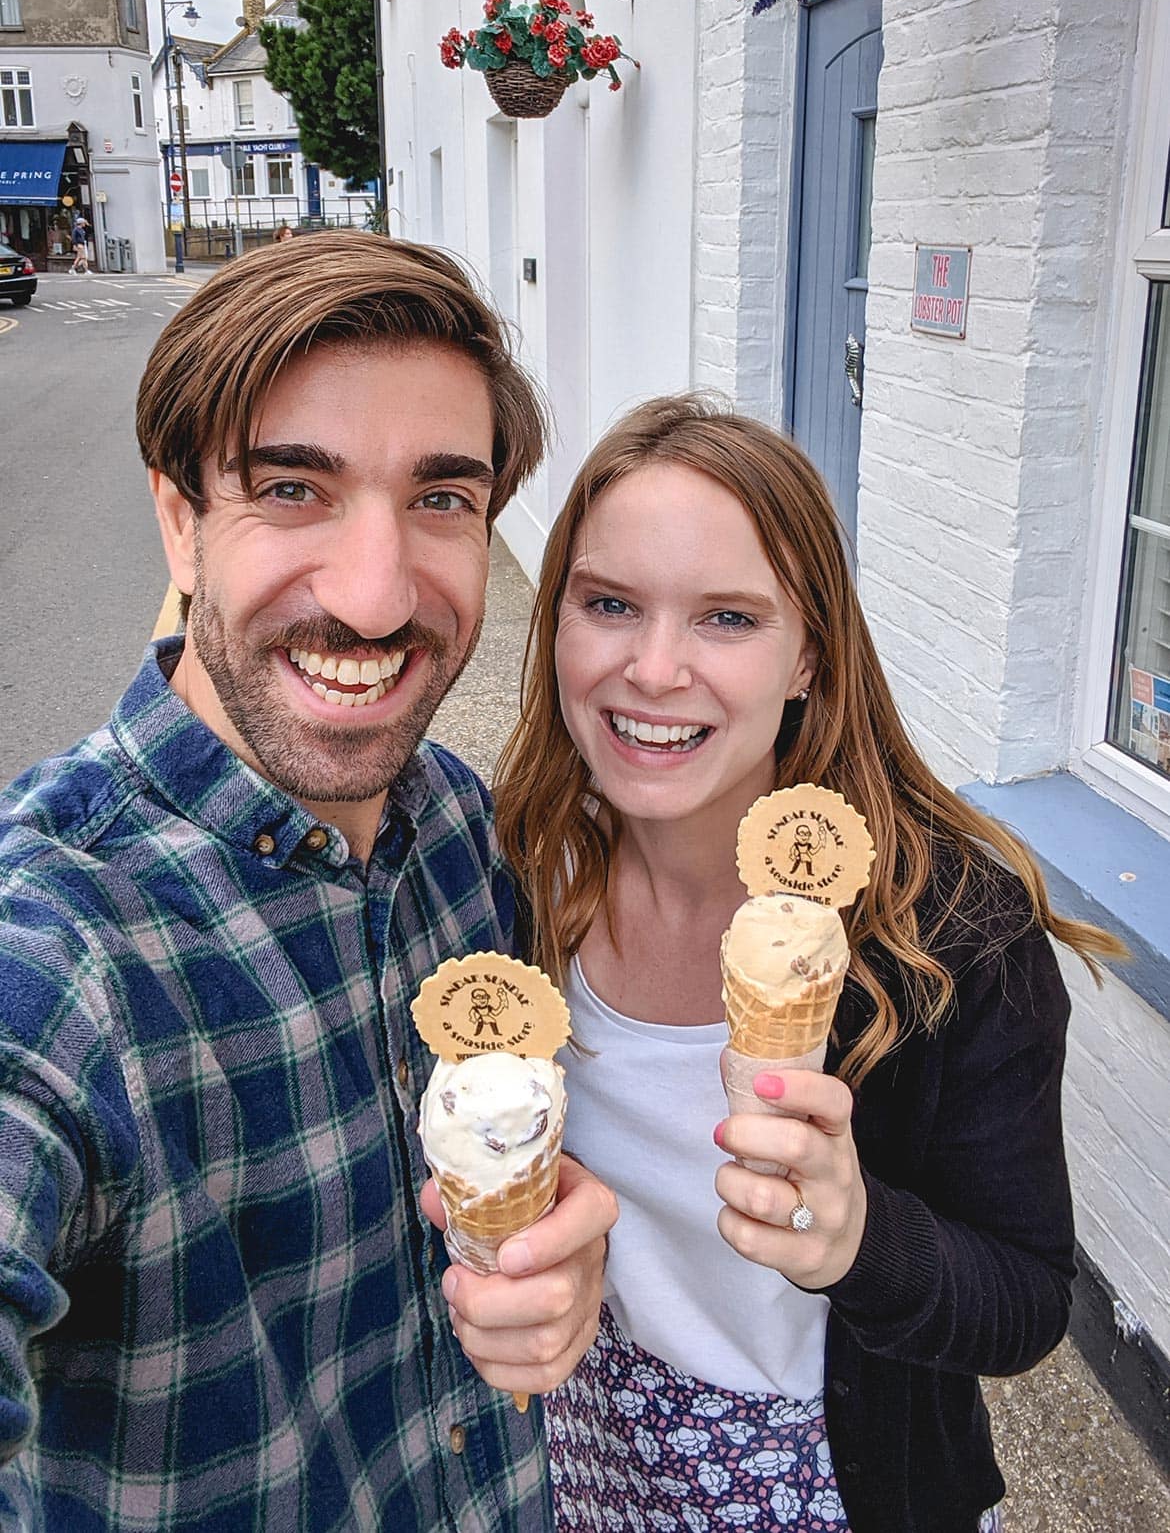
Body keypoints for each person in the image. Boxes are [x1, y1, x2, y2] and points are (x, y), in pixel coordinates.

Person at [0, 231, 616, 1530]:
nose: (379, 594)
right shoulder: (60, 944)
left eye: (441, 498)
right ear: (179, 516)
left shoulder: (466, 831)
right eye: (292, 488)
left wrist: (552, 1268)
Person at [495, 394, 1123, 1533]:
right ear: (555, 625)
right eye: (609, 604)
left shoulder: (952, 941)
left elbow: (1027, 1301)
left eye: (727, 618)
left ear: (808, 660)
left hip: (839, 1484)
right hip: (582, 1461)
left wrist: (862, 1242)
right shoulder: (517, 878)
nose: (654, 666)